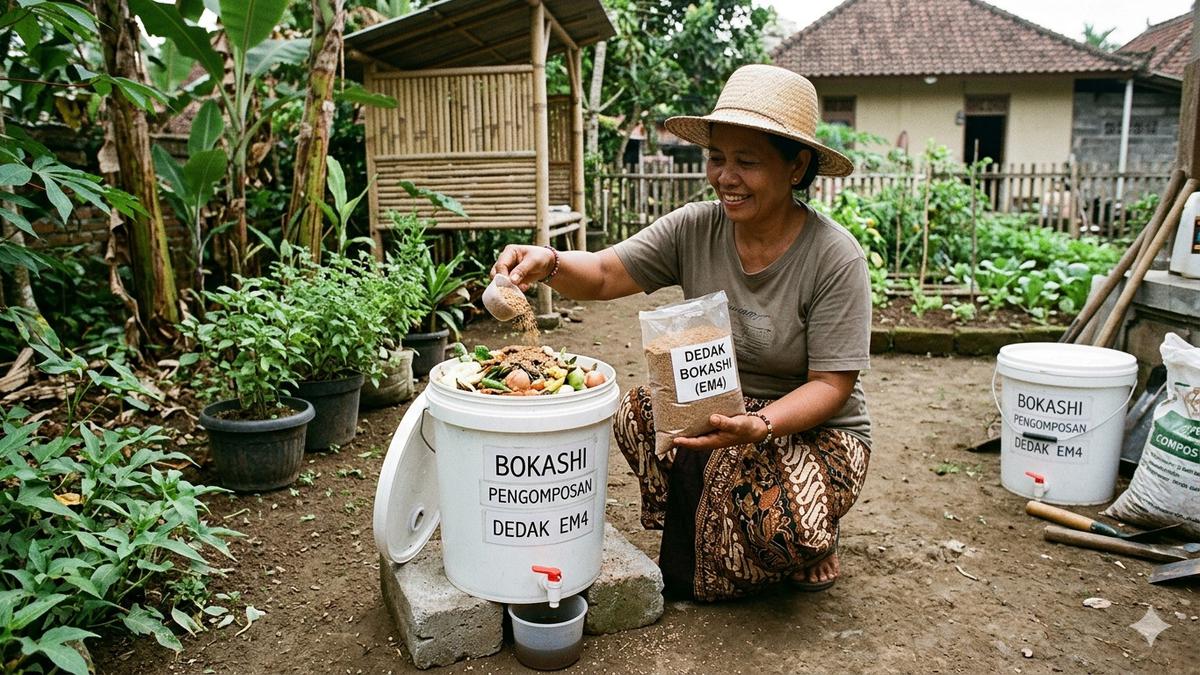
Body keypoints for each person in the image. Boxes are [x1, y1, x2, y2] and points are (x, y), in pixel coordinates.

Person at [491, 64, 872, 601]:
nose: (725, 177)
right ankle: (712, 528)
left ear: (797, 167)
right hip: (722, 404)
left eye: (747, 162)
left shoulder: (834, 257)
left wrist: (759, 425)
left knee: (784, 529)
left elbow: (832, 386)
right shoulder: (696, 226)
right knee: (640, 411)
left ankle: (808, 537)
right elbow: (603, 273)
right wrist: (547, 260)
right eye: (717, 158)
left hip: (814, 431)